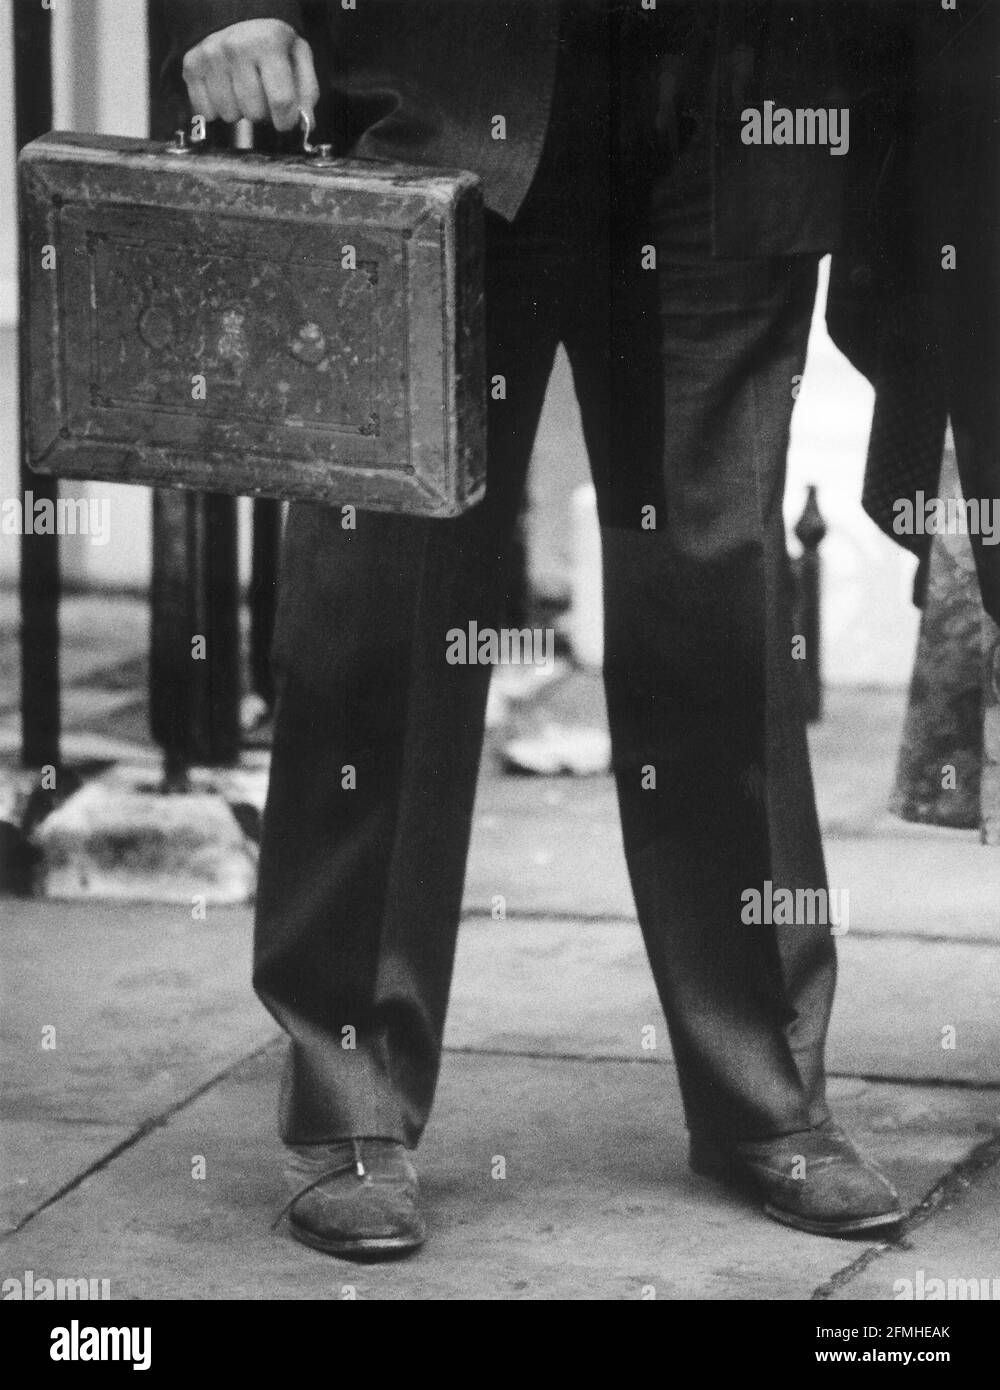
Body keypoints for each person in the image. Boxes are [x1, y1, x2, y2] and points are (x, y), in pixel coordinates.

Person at [167, 0, 903, 1259]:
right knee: (378, 604)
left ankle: (763, 1091)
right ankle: (350, 1102)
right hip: (433, 88)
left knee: (718, 605)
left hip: (737, 97)